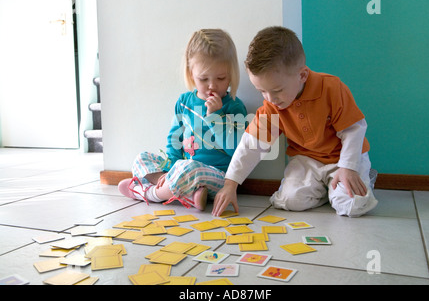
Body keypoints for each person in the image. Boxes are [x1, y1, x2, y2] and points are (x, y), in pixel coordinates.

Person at [212, 26, 378, 217]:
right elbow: (252, 145)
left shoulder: (332, 88)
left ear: (302, 75)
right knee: (289, 201)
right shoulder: (271, 106)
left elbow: (353, 130)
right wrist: (230, 184)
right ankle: (325, 190)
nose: (270, 98)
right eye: (262, 92)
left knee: (352, 206)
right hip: (306, 160)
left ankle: (363, 178)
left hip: (342, 160)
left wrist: (348, 167)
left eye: (277, 90)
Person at [119, 29, 247, 210]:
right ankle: (188, 193)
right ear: (190, 73)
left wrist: (215, 117)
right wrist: (170, 169)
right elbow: (174, 139)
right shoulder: (184, 102)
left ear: (231, 74)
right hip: (181, 171)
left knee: (190, 168)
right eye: (203, 79)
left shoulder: (234, 106)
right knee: (142, 158)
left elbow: (237, 151)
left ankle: (151, 193)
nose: (212, 85)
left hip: (218, 177)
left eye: (221, 78)